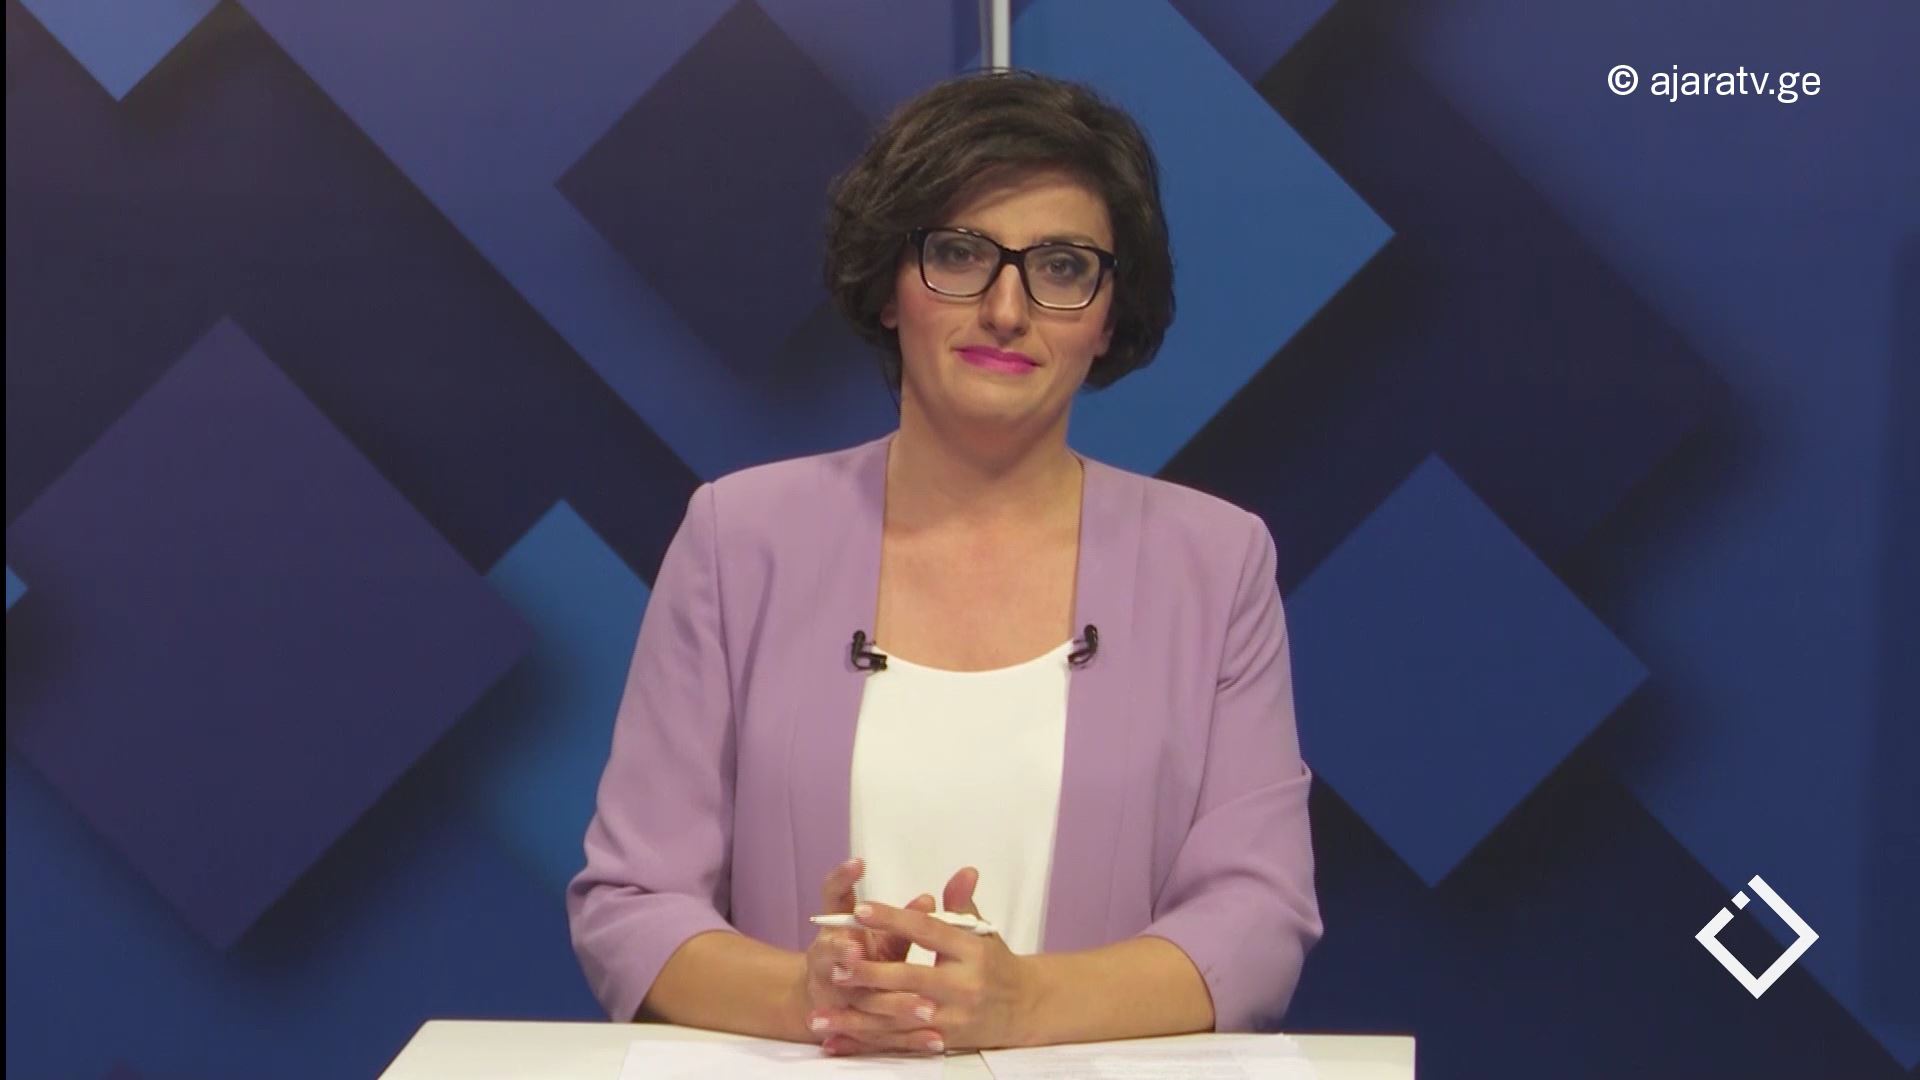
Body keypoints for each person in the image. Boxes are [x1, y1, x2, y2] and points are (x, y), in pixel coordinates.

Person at [566, 69, 1321, 1058]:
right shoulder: (739, 539)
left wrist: (1023, 1005)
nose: (1007, 309)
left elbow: (1257, 923)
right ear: (890, 286)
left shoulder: (1213, 565)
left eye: (1061, 266)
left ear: (1107, 316)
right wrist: (809, 993)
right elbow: (631, 902)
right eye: (960, 254)